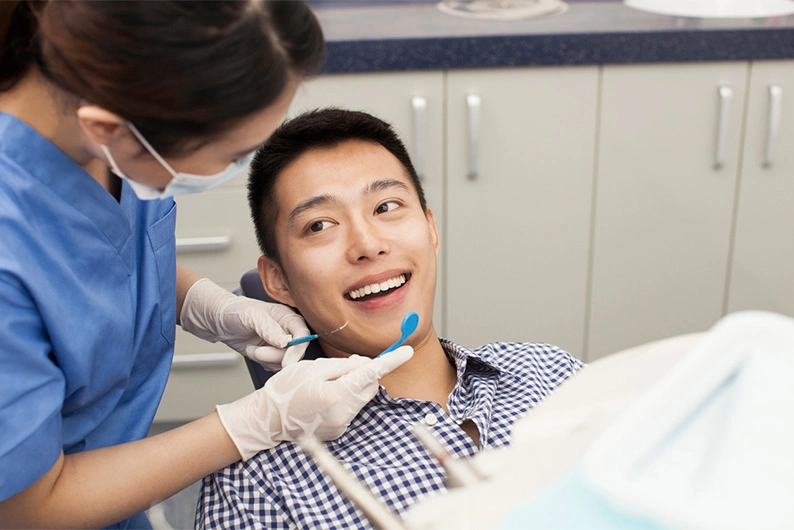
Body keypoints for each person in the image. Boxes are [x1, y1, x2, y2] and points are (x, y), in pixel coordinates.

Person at [0, 3, 412, 529]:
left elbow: (103, 259)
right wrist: (255, 423)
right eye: (233, 154)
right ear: (108, 128)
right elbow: (24, 508)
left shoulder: (109, 115)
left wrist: (206, 305)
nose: (369, 246)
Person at [197, 108, 585, 528]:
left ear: (431, 229)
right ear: (278, 281)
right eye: (320, 225)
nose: (367, 244)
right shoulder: (258, 486)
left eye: (386, 206)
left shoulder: (551, 373)